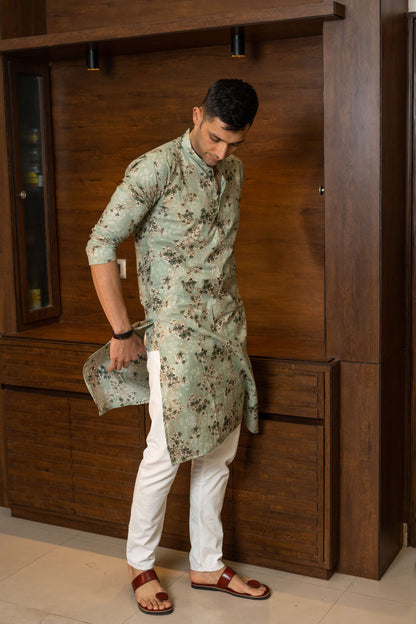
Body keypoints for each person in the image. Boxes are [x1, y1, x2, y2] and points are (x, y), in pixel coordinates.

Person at [85, 78, 271, 616]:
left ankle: (207, 564)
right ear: (196, 115)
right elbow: (100, 242)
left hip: (227, 331)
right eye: (215, 138)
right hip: (176, 338)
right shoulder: (155, 169)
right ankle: (141, 563)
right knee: (166, 452)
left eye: (234, 144)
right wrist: (122, 332)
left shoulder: (232, 171)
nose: (221, 153)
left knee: (219, 453)